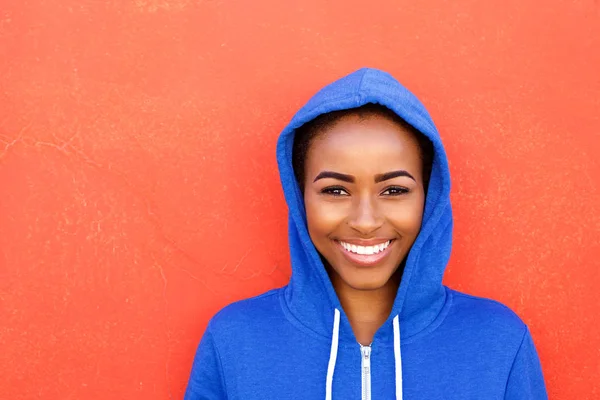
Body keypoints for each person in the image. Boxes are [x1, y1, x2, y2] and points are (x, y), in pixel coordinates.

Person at [183, 68, 548, 399]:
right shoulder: (234, 341)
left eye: (394, 190)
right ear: (300, 199)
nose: (365, 220)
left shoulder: (498, 343)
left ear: (429, 197)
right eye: (335, 191)